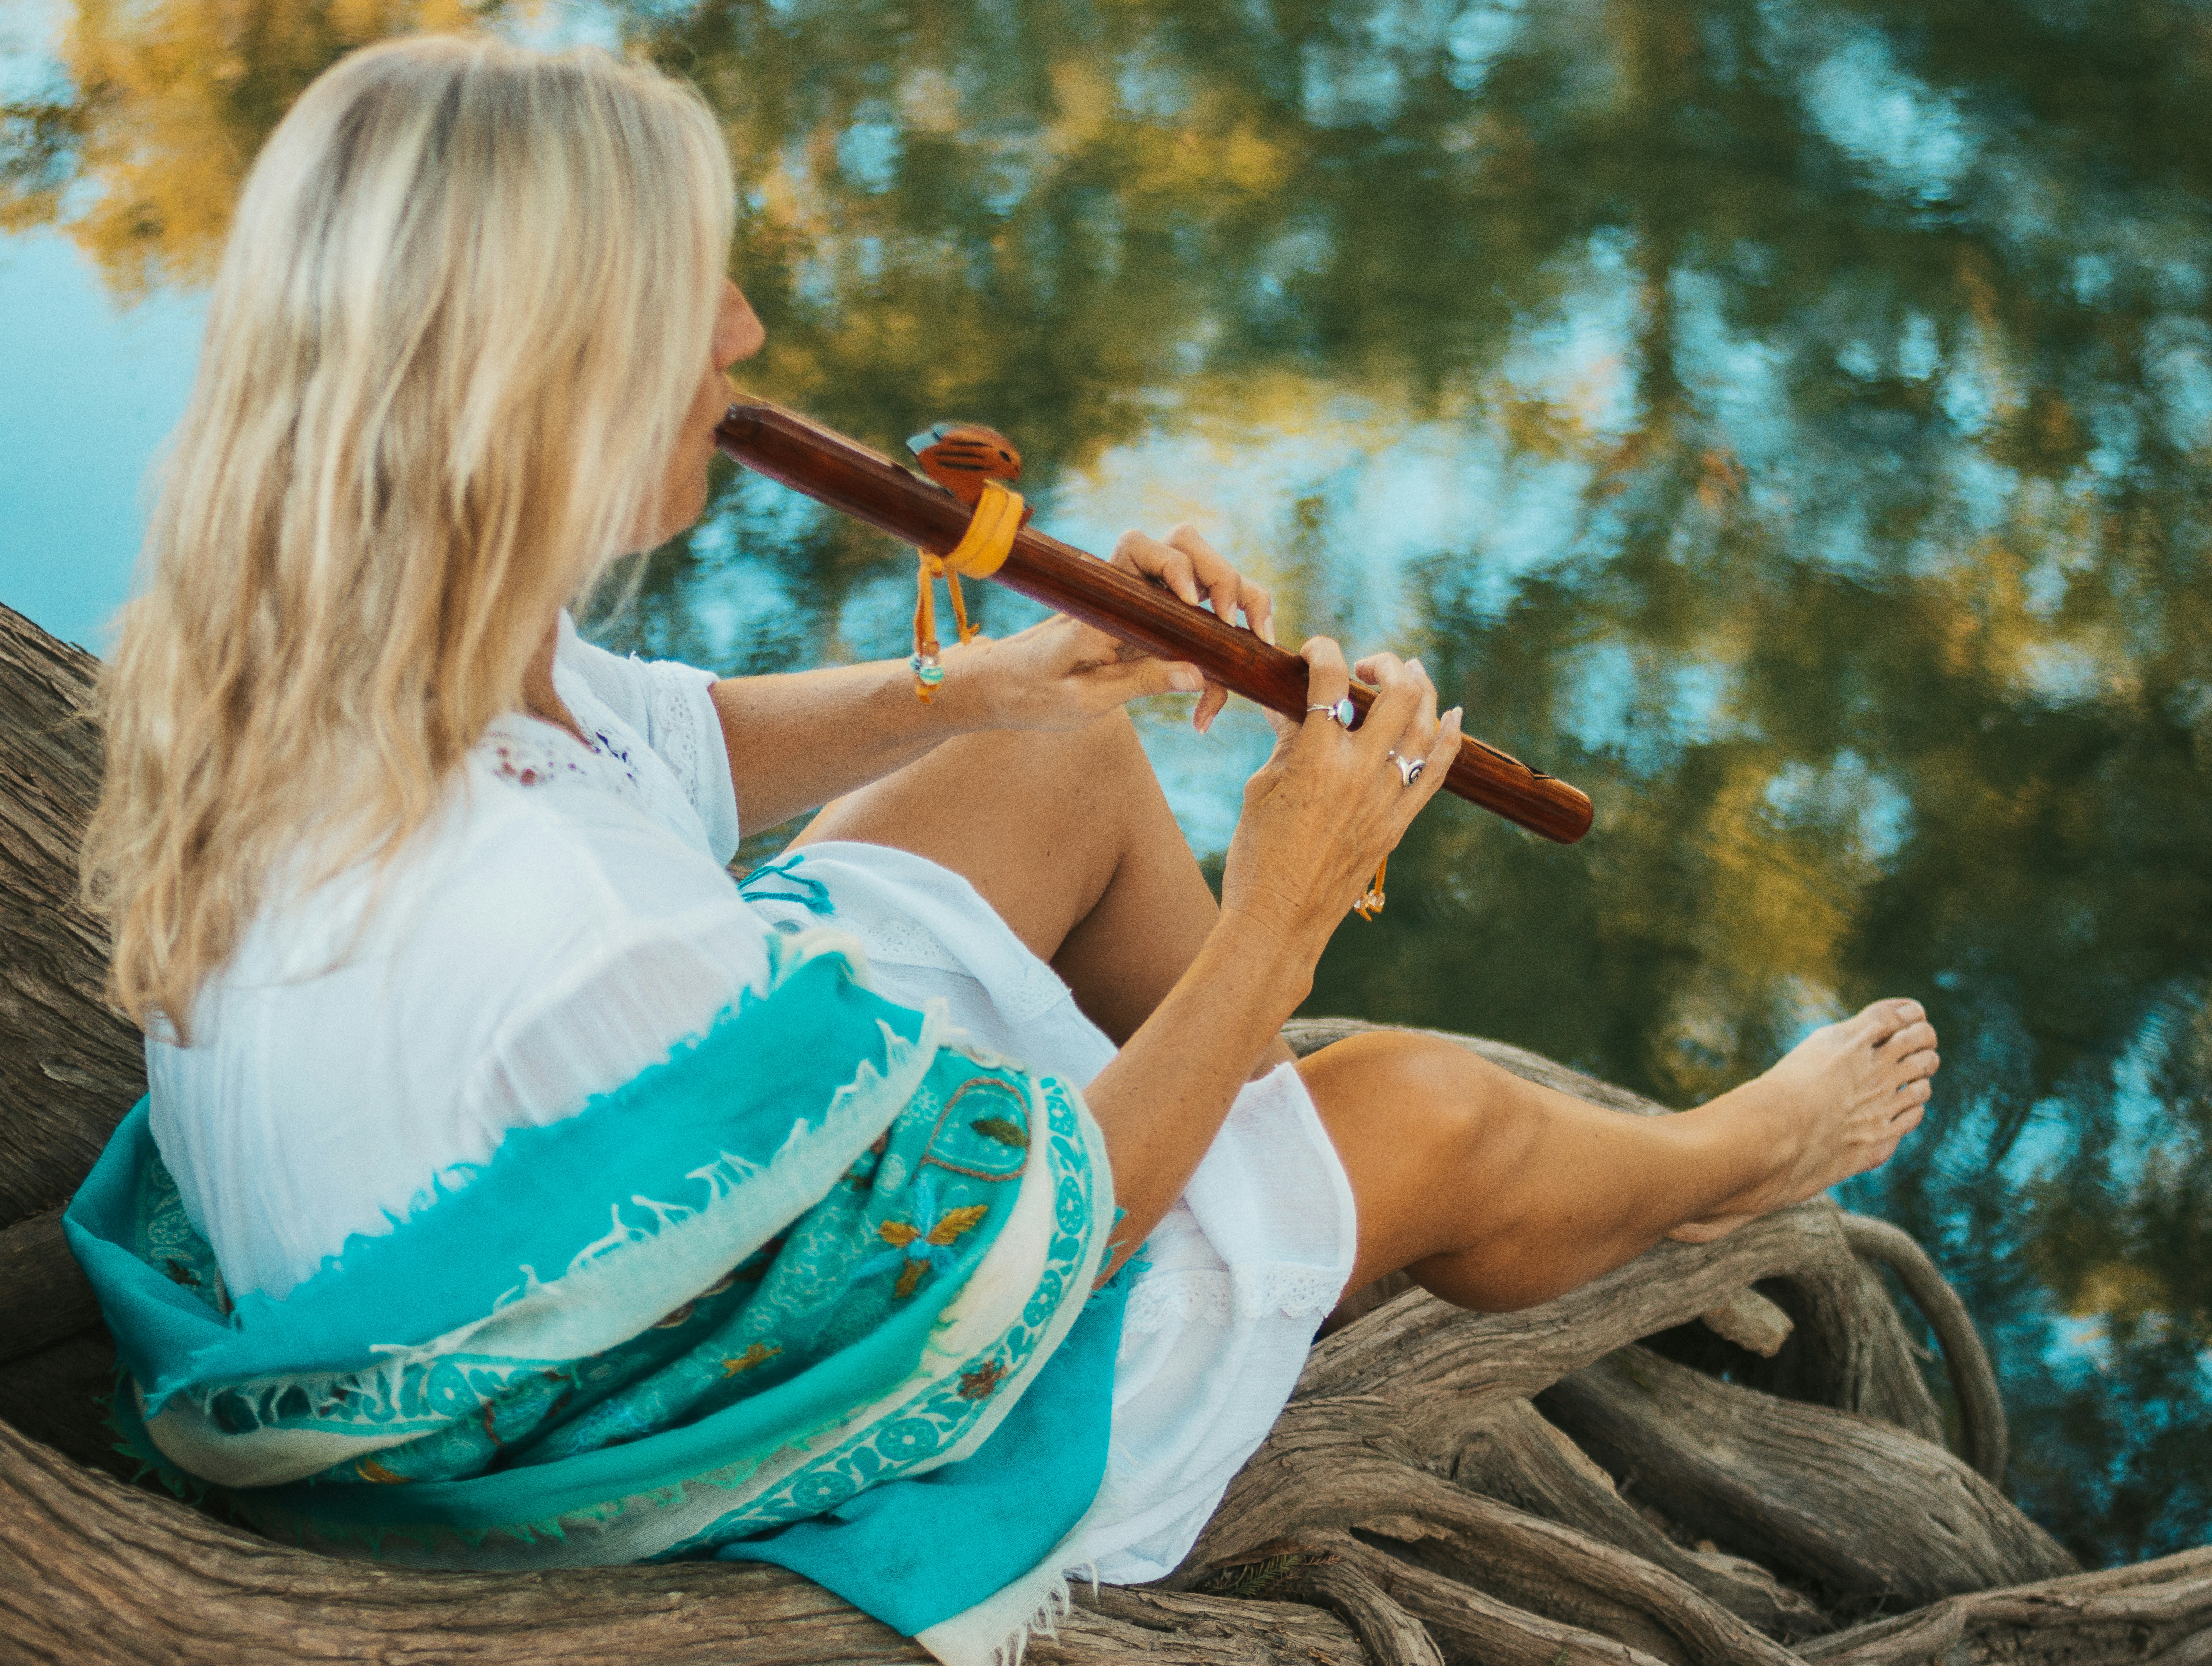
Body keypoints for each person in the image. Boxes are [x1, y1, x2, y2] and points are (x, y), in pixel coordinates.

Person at [70, 33, 1938, 1665]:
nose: (746, 337)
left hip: (634, 1181)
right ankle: (1702, 1160)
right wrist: (1282, 914)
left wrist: (1014, 683)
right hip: (711, 1391)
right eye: (693, 300)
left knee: (1062, 769)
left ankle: (1249, 1123)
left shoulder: (358, 643)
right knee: (1424, 1115)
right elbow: (990, 1273)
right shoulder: (573, 932)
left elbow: (674, 742)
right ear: (543, 374)